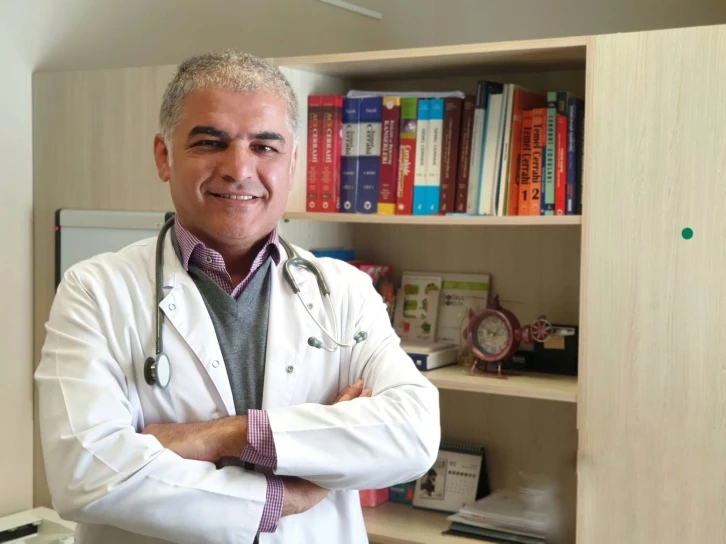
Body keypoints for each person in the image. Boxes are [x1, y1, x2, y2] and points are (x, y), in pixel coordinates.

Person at [34, 50, 441, 544]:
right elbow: (85, 475)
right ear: (164, 157)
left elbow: (413, 435)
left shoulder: (344, 291)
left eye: (265, 146)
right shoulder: (95, 291)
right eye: (210, 142)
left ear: (293, 162)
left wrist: (226, 436)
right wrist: (280, 497)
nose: (238, 168)